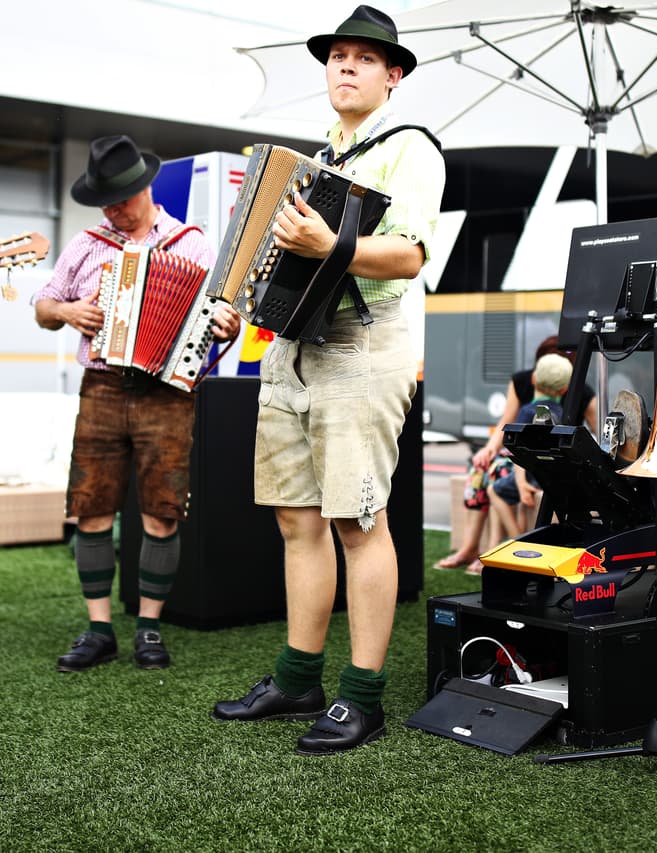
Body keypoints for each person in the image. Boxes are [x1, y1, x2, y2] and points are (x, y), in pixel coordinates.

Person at [211, 6, 445, 756]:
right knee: (296, 520)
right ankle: (297, 678)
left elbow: (408, 256)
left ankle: (362, 697)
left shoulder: (411, 150)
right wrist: (234, 303)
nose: (345, 66)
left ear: (392, 74)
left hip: (361, 349)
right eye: (336, 55)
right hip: (289, 350)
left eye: (363, 58)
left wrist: (331, 242)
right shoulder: (314, 158)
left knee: (357, 522)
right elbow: (276, 263)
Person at [32, 134, 240, 673]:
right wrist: (69, 311)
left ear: (145, 187)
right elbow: (43, 305)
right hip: (100, 387)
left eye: (121, 199)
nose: (113, 211)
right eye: (104, 202)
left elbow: (223, 318)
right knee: (91, 508)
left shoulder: (192, 243)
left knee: (162, 512)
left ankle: (149, 627)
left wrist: (226, 324)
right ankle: (99, 628)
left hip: (166, 393)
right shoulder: (86, 243)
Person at [435, 336, 595, 572]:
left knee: (498, 476)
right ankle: (470, 547)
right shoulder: (524, 382)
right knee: (481, 467)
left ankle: (504, 547)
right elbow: (506, 422)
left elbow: (596, 425)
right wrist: (489, 449)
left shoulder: (582, 390)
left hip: (535, 463)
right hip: (531, 460)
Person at [486, 353, 572, 540]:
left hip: (531, 475)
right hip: (550, 476)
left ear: (533, 379)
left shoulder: (527, 412)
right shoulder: (563, 413)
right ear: (564, 389)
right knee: (520, 505)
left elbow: (518, 451)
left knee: (494, 491)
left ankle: (517, 539)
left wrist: (521, 483)